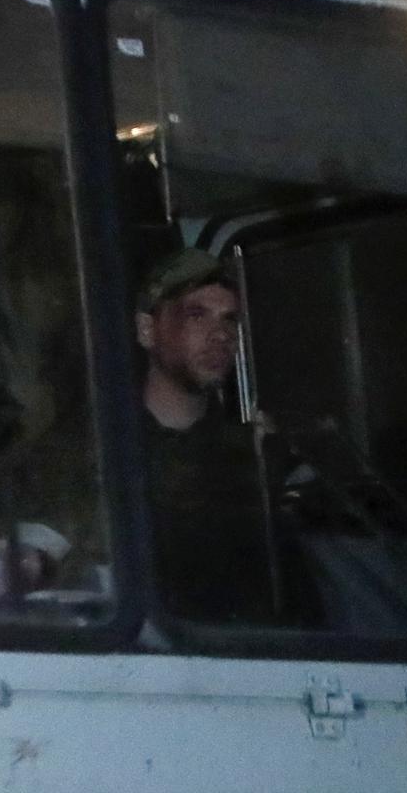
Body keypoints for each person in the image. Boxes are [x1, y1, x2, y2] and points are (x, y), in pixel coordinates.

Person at [134, 248, 281, 623]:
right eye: (196, 315)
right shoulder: (102, 451)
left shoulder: (254, 454)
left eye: (230, 320)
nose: (221, 335)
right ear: (147, 329)